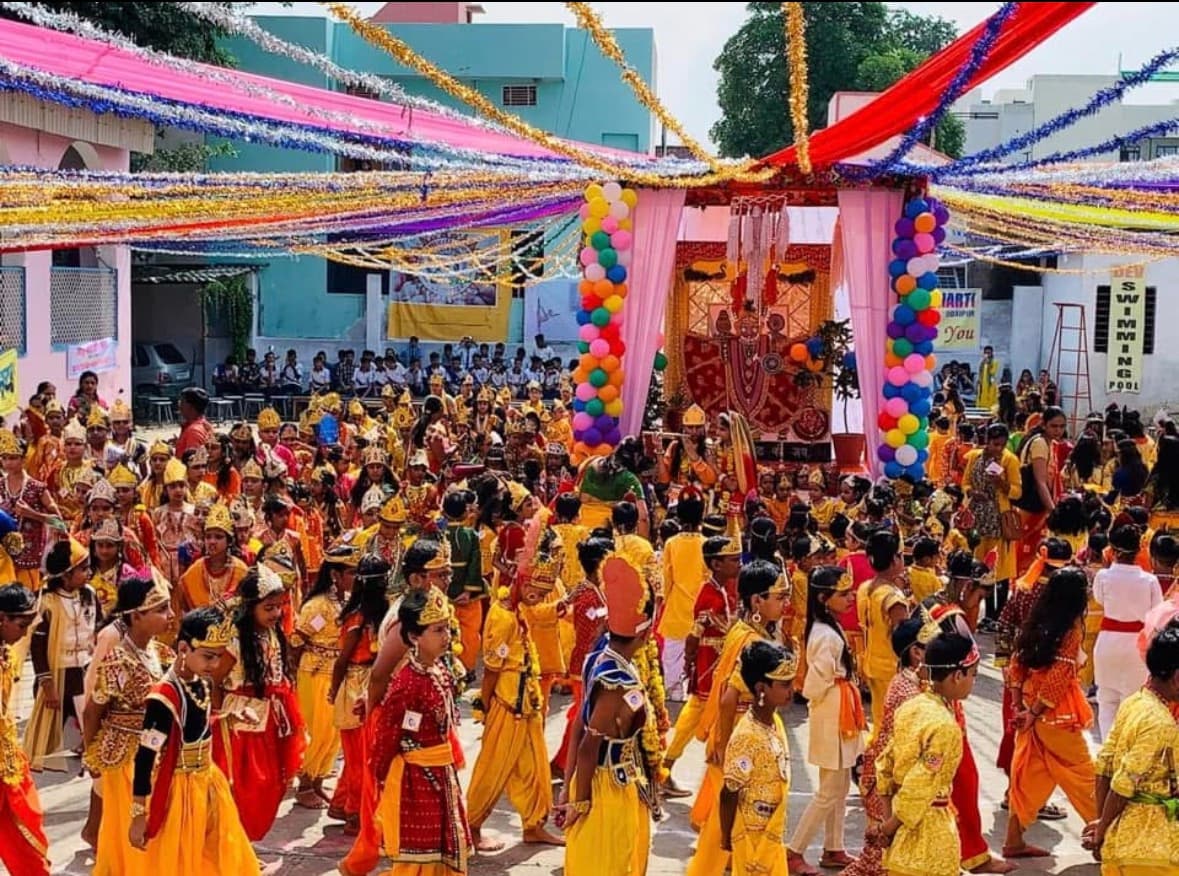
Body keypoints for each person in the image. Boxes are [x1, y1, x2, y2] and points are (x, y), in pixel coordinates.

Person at [340, 587, 470, 876]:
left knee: (440, 852)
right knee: (419, 857)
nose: (446, 636)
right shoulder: (407, 683)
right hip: (416, 779)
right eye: (438, 630)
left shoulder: (438, 670)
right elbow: (389, 734)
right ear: (414, 637)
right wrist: (382, 775)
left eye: (447, 628)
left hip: (440, 774)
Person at [127, 606, 260, 874]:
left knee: (218, 856)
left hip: (209, 782)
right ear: (184, 648)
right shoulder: (163, 697)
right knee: (184, 862)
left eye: (219, 657)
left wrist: (229, 717)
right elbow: (145, 757)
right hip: (180, 791)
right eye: (208, 656)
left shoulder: (202, 683)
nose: (215, 665)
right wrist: (138, 814)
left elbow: (197, 727)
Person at [562, 556, 656, 876]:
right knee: (610, 864)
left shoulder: (599, 655)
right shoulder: (617, 680)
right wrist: (580, 801)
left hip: (608, 781)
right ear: (646, 632)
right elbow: (590, 742)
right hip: (606, 790)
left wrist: (568, 784)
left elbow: (579, 723)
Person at [1004, 567, 1098, 859]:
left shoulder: (1036, 621)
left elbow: (1016, 666)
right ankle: (1108, 838)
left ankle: (1013, 841)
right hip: (1055, 713)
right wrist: (1031, 712)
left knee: (1031, 776)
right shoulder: (1070, 629)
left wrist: (1020, 706)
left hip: (1033, 708)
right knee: (1086, 775)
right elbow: (1058, 677)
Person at [83, 576, 174, 875]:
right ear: (136, 616)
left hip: (154, 751)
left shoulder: (160, 653)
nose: (170, 616)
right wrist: (91, 754)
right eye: (161, 610)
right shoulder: (118, 660)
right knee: (131, 825)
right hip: (125, 759)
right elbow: (93, 711)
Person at [211, 565, 307, 841]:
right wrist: (218, 720)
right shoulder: (235, 641)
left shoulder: (273, 634)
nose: (276, 614)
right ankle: (235, 844)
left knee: (273, 784)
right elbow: (214, 681)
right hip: (241, 722)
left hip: (272, 718)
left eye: (279, 607)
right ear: (251, 607)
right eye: (269, 608)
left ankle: (242, 844)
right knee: (246, 787)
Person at [873, 632, 979, 876]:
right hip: (929, 833)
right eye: (972, 674)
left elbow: (885, 763)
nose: (973, 681)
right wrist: (889, 828)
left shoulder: (910, 707)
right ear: (957, 676)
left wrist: (888, 821)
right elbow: (921, 782)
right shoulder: (945, 726)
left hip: (899, 830)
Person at [787, 566, 865, 875]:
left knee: (841, 785)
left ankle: (835, 847)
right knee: (829, 789)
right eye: (843, 594)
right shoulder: (824, 634)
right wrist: (832, 693)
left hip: (837, 704)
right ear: (823, 598)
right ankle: (794, 850)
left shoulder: (828, 627)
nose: (850, 598)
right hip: (832, 708)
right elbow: (815, 686)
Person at [1084, 624, 1179, 873]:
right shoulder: (1161, 722)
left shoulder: (1134, 703)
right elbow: (1123, 783)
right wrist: (1101, 830)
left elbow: (1104, 766)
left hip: (1119, 843)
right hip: (1152, 849)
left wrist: (1103, 827)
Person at [841, 616, 926, 876]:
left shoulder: (911, 683)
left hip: (888, 778)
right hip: (891, 783)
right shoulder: (909, 693)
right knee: (884, 862)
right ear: (915, 652)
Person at [711, 640, 796, 876]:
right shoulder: (747, 736)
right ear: (761, 689)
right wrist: (727, 837)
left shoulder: (774, 722)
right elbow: (729, 791)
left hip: (771, 833)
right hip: (752, 838)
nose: (792, 690)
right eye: (785, 684)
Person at [25, 536, 100, 772]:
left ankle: (92, 753)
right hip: (59, 668)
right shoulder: (47, 602)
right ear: (66, 575)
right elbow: (37, 646)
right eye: (82, 569)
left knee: (89, 714)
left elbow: (97, 624)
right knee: (54, 718)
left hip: (85, 666)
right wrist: (46, 683)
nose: (88, 573)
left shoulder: (89, 593)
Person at [290, 543, 357, 809]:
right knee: (318, 730)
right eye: (351, 572)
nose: (356, 578)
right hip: (315, 674)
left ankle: (317, 778)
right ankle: (304, 784)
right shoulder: (318, 606)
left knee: (334, 732)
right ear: (335, 575)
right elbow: (296, 640)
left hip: (338, 674)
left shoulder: (346, 601)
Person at [328, 554, 389, 831]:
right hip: (358, 684)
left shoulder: (376, 613)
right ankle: (354, 812)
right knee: (358, 755)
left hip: (363, 683)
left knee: (360, 754)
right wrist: (334, 689)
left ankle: (347, 805)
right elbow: (342, 659)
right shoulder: (361, 617)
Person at [1094, 524, 1162, 739]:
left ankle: (1107, 754)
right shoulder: (1150, 580)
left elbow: (1099, 600)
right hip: (1137, 645)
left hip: (1107, 643)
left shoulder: (1103, 576)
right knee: (1131, 703)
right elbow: (1156, 612)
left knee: (1106, 701)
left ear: (1111, 550)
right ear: (1139, 550)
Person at [0, 583, 50, 876]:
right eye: (21, 624)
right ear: (2, 618)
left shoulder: (6, 651)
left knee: (25, 826)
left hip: (8, 758)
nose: (24, 632)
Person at [175, 388, 213, 460]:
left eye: (182, 402)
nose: (179, 405)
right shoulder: (204, 424)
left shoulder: (193, 432)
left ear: (191, 407)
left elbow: (193, 462)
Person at [977, 346, 1000, 411]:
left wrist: (988, 364)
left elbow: (993, 372)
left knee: (991, 400)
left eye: (989, 353)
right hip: (983, 385)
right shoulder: (982, 363)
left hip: (991, 385)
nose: (987, 354)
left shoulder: (995, 362)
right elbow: (980, 373)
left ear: (992, 353)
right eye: (986, 353)